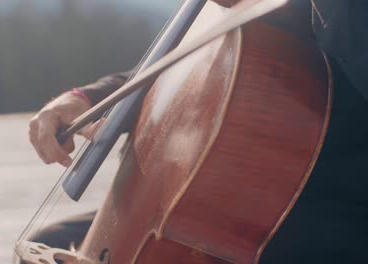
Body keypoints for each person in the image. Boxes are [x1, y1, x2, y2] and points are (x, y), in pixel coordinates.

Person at [28, 0, 368, 263]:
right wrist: (85, 98)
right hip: (225, 207)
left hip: (317, 223)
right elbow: (180, 69)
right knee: (50, 243)